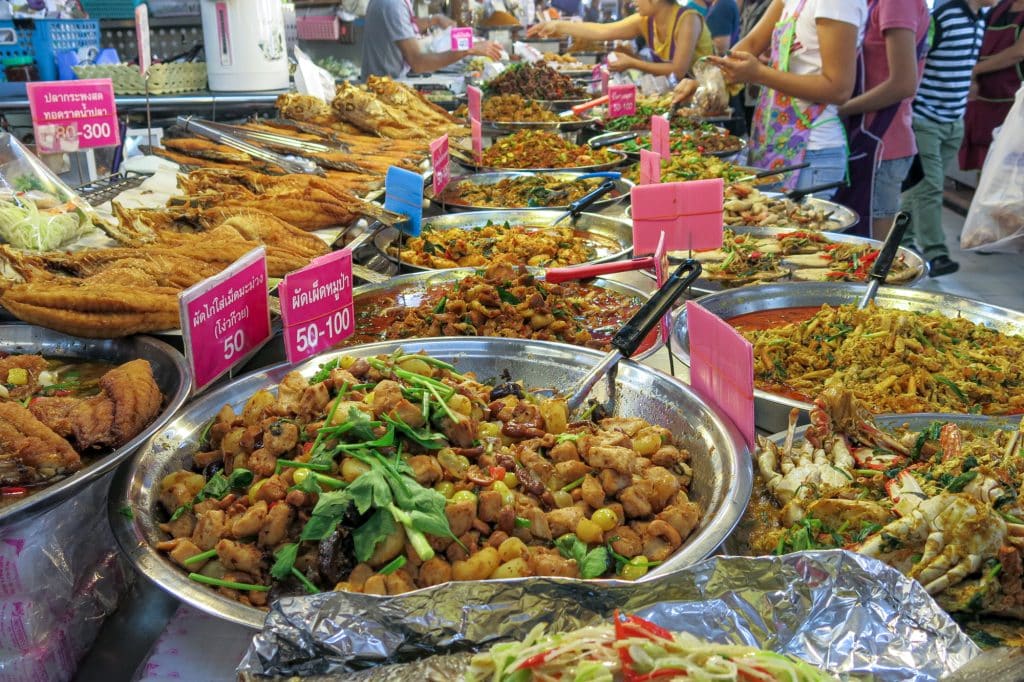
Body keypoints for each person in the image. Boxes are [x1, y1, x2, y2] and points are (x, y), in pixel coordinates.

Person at [675, 0, 868, 194]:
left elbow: (838, 89)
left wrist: (759, 74)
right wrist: (706, 81)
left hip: (811, 150)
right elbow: (751, 44)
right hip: (773, 143)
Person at [901, 0, 997, 277]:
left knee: (917, 187)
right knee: (931, 186)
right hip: (925, 118)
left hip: (954, 120)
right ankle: (936, 253)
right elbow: (918, 59)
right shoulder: (943, 16)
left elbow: (967, 65)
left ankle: (903, 241)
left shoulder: (980, 19)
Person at [834, 0, 930, 240]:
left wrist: (837, 108)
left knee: (869, 249)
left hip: (882, 144)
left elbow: (903, 83)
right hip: (863, 139)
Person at [526, 0, 715, 80]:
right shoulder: (645, 21)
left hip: (712, 101)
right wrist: (558, 26)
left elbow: (678, 71)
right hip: (682, 97)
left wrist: (633, 63)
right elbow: (601, 31)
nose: (633, 2)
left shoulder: (688, 19)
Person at [361, 0, 503, 80]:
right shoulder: (393, 5)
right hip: (381, 91)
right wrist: (468, 48)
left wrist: (434, 20)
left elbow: (402, 27)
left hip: (387, 85)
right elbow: (419, 63)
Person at [960, 0, 1024, 170]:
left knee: (1006, 169)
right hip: (984, 98)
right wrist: (971, 77)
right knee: (983, 160)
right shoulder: (1000, 7)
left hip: (1016, 105)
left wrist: (974, 70)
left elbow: (1019, 52)